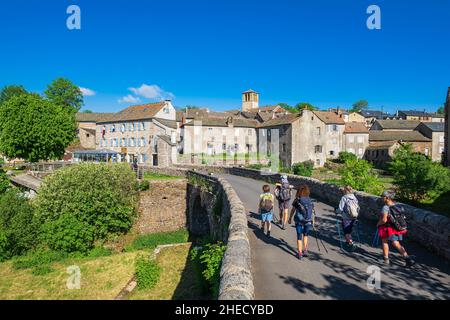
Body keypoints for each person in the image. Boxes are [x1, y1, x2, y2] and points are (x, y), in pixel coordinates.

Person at [377, 190, 415, 267]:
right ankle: (407, 259)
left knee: (384, 242)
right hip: (395, 227)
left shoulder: (385, 207)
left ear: (387, 198)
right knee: (396, 243)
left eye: (382, 197)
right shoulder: (396, 205)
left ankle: (386, 259)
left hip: (387, 227)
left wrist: (378, 223)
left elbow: (384, 220)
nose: (381, 198)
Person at [289, 185, 314, 260]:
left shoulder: (297, 200)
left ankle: (300, 253)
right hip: (308, 220)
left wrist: (290, 218)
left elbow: (293, 210)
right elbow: (312, 211)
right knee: (306, 235)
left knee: (299, 236)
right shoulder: (310, 200)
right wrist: (312, 221)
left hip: (299, 221)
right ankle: (305, 250)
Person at [335, 186, 359, 250]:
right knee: (349, 230)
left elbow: (340, 209)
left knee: (346, 231)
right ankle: (347, 242)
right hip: (354, 216)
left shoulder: (344, 198)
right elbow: (358, 207)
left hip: (346, 217)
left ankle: (351, 244)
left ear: (345, 191)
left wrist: (336, 211)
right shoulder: (354, 197)